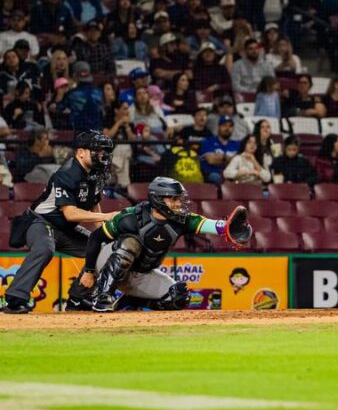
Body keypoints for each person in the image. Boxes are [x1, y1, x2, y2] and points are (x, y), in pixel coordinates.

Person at [80, 177, 252, 312]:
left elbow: (208, 224)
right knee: (130, 243)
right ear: (158, 199)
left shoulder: (181, 220)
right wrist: (88, 271)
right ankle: (103, 296)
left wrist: (225, 228)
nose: (179, 204)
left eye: (180, 199)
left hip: (141, 273)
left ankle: (131, 300)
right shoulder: (131, 217)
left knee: (179, 297)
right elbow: (96, 237)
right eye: (174, 199)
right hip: (108, 260)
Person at [3, 131, 116, 314]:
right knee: (45, 248)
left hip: (65, 229)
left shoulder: (94, 175)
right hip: (40, 223)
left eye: (104, 151)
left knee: (103, 248)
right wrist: (107, 217)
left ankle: (79, 298)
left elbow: (94, 207)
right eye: (97, 150)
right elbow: (71, 214)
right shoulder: (67, 174)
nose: (102, 155)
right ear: (81, 152)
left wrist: (104, 234)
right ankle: (15, 299)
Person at [56, 61, 104, 132]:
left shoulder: (72, 94)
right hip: (97, 133)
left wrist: (60, 94)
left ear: (75, 75)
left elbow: (59, 108)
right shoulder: (98, 92)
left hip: (80, 133)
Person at [199, 116, 240, 185]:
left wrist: (220, 158)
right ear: (218, 127)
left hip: (231, 174)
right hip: (213, 175)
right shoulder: (208, 142)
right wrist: (229, 159)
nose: (227, 128)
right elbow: (211, 160)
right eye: (224, 125)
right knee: (216, 177)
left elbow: (239, 163)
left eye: (230, 126)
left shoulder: (237, 144)